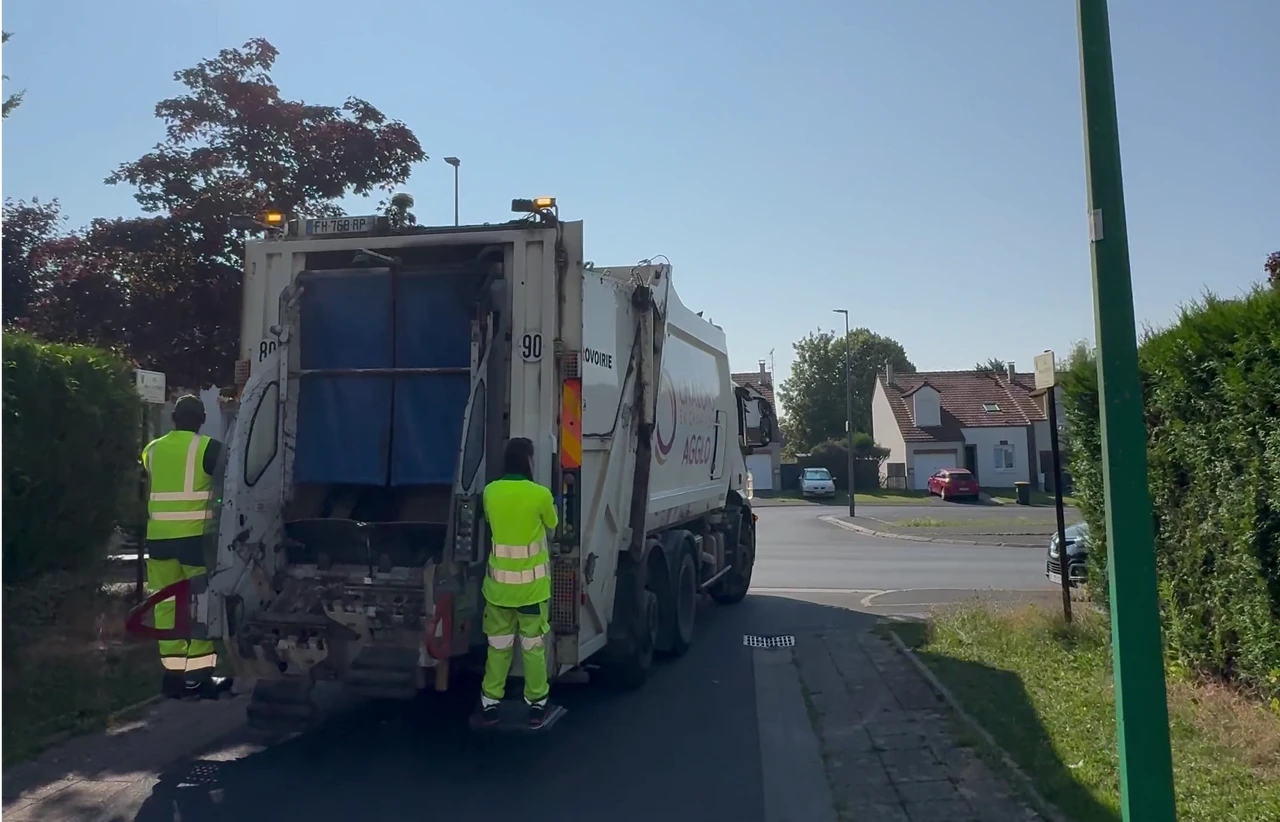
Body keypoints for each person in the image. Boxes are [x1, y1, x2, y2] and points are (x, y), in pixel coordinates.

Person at [141, 394, 232, 700]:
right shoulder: (209, 448)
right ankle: (199, 678)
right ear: (202, 420)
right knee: (201, 606)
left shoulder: (151, 449)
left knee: (166, 606)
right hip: (195, 542)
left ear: (174, 419)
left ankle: (173, 677)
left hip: (158, 539)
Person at [477, 437, 559, 728]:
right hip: (531, 592)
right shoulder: (540, 495)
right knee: (532, 648)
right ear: (528, 461)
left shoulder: (490, 492)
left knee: (497, 648)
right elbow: (553, 525)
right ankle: (537, 706)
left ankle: (489, 705)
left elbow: (490, 523)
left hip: (498, 590)